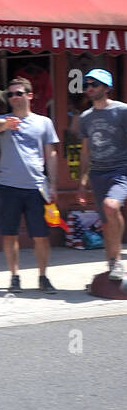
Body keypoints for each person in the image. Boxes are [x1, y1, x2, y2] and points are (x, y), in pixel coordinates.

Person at [0, 76, 61, 293]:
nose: (14, 97)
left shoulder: (44, 122)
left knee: (40, 236)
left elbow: (51, 154)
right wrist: (6, 124)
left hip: (37, 187)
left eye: (18, 93)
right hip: (9, 186)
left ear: (29, 95)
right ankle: (14, 277)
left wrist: (54, 185)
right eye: (10, 94)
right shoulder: (2, 119)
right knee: (9, 233)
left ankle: (43, 276)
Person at [77, 68, 127, 282]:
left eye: (94, 84)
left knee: (111, 206)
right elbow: (85, 151)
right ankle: (111, 265)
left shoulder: (122, 111)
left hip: (120, 170)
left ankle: (117, 262)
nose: (89, 88)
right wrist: (82, 183)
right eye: (86, 85)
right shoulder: (86, 117)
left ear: (106, 88)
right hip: (97, 173)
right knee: (106, 222)